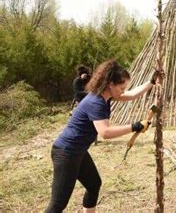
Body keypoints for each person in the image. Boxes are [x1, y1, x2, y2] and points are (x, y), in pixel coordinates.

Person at [45, 59, 160, 213]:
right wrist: (135, 126)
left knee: (93, 185)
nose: (123, 90)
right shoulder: (96, 102)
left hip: (77, 151)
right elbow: (104, 133)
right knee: (58, 204)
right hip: (66, 153)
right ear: (110, 84)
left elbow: (132, 95)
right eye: (121, 87)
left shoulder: (106, 96)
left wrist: (151, 82)